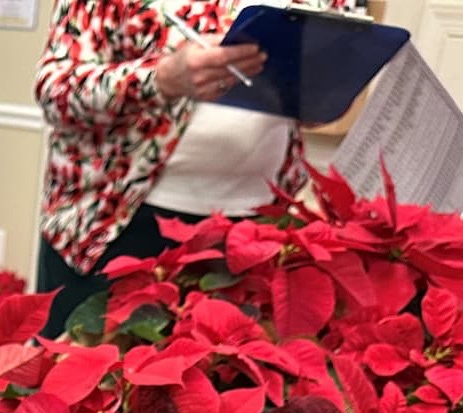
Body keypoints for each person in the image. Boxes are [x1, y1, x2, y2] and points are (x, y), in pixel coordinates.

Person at [34, 0, 326, 333]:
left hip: (258, 228)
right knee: (93, 377)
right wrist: (162, 79)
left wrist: (321, 96)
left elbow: (318, 87)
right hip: (115, 225)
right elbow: (56, 89)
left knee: (230, 378)